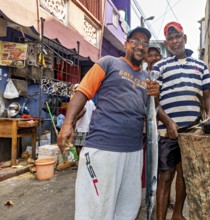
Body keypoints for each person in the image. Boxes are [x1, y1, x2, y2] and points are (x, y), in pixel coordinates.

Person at [57, 26, 160, 220]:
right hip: (103, 149)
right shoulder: (108, 63)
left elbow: (151, 112)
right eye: (136, 41)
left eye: (145, 43)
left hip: (134, 151)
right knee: (96, 208)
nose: (141, 46)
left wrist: (157, 96)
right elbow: (83, 92)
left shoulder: (147, 79)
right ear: (126, 44)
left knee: (127, 208)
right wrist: (67, 124)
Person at [151, 21, 210, 220]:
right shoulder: (159, 66)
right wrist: (168, 122)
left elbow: (208, 94)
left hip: (193, 129)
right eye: (170, 38)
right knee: (165, 175)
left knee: (185, 173)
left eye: (177, 36)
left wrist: (209, 116)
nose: (174, 41)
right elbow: (154, 99)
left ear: (184, 38)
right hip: (167, 130)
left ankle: (177, 214)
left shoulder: (200, 65)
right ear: (166, 43)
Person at [142, 46, 163, 189]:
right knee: (145, 162)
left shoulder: (164, 74)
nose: (154, 58)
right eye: (151, 55)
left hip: (161, 126)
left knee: (160, 161)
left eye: (157, 55)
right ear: (145, 58)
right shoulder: (142, 75)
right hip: (145, 127)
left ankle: (161, 192)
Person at [72, 84, 96, 156]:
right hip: (88, 128)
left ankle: (81, 163)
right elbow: (94, 111)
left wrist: (74, 120)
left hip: (81, 128)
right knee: (86, 147)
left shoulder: (80, 101)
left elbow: (84, 110)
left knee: (78, 146)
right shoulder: (91, 102)